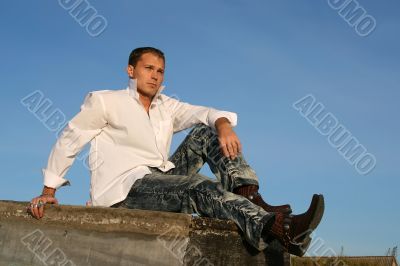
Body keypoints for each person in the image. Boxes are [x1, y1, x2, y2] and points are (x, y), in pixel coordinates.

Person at [28, 47, 324, 256]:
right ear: (131, 70)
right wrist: (48, 189)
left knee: (205, 133)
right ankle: (277, 228)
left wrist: (223, 125)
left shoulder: (166, 106)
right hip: (124, 191)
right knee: (197, 186)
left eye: (160, 71)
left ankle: (252, 199)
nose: (155, 76)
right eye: (148, 69)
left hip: (161, 181)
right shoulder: (106, 101)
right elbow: (70, 139)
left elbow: (205, 113)